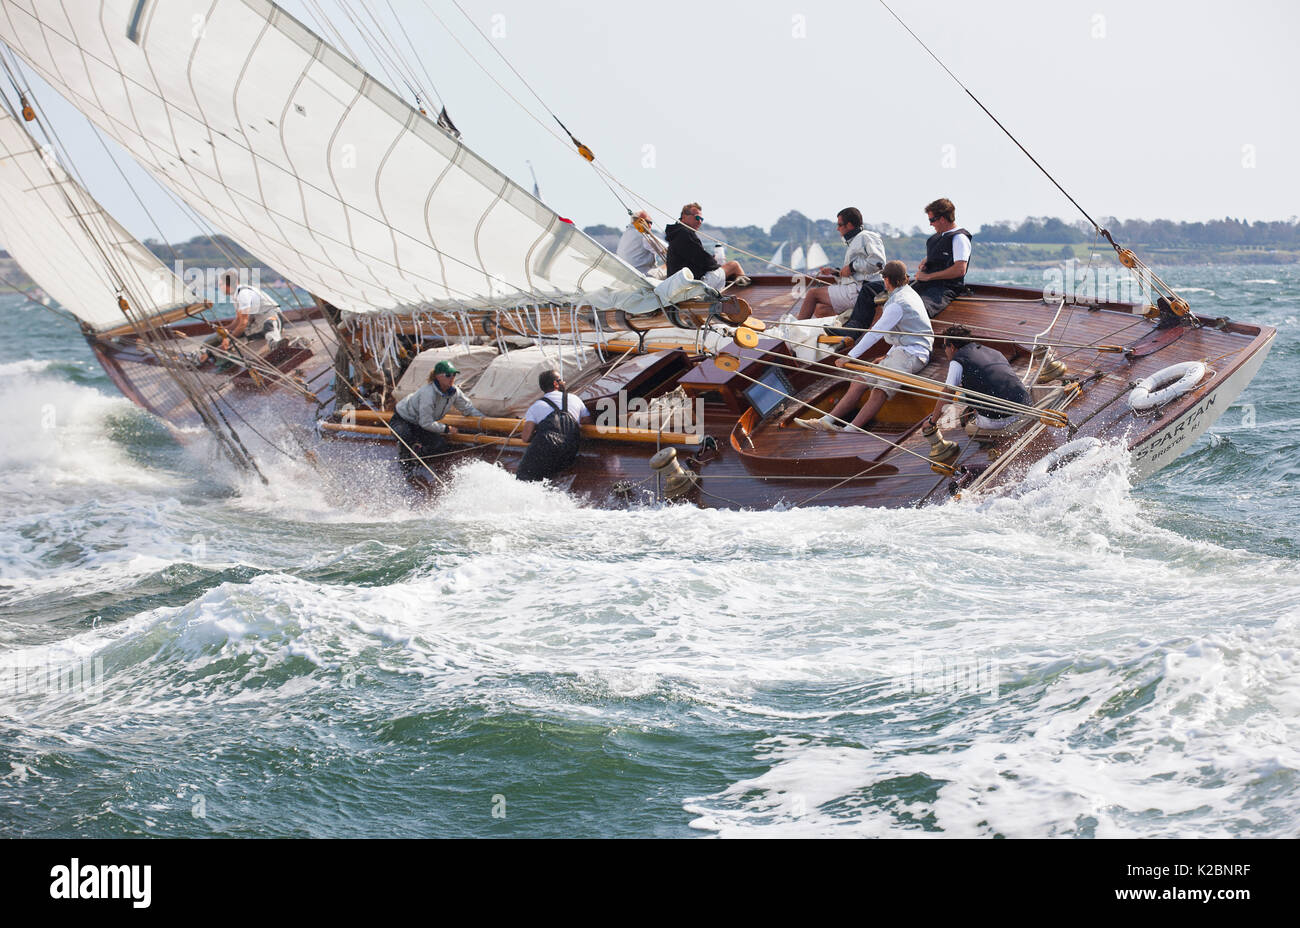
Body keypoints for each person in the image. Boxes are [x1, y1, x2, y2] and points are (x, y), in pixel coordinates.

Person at [797, 260, 933, 432]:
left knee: (879, 390)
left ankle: (849, 430)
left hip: (913, 354)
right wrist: (889, 353)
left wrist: (849, 356)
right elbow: (904, 332)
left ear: (887, 280)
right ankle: (827, 420)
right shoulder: (908, 292)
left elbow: (875, 333)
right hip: (903, 350)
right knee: (859, 381)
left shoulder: (898, 303)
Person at [927, 324, 1030, 433]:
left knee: (969, 425)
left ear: (952, 347)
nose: (944, 351)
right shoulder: (991, 351)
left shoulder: (957, 361)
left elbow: (948, 393)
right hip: (1023, 406)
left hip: (1000, 419)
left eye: (944, 347)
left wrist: (932, 422)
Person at [795, 207, 886, 322]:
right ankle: (850, 324)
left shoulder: (866, 236)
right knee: (820, 309)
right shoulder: (856, 240)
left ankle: (797, 329)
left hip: (862, 291)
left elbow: (878, 263)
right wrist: (836, 272)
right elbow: (859, 272)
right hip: (856, 289)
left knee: (813, 294)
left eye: (840, 224)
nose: (837, 229)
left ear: (849, 225)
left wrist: (852, 267)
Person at [390, 359, 483, 471]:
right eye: (448, 375)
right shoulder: (428, 394)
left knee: (440, 445)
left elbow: (468, 409)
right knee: (405, 436)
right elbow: (426, 422)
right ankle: (406, 465)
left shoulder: (454, 392)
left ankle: (419, 459)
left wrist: (485, 421)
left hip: (421, 424)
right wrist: (446, 429)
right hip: (403, 419)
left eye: (454, 375)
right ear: (438, 376)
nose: (452, 378)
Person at [517, 369, 591, 482]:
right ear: (555, 384)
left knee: (524, 478)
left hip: (545, 449)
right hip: (569, 449)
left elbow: (525, 438)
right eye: (562, 380)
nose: (564, 382)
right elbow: (587, 420)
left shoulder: (536, 406)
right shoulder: (575, 399)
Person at [200, 271, 285, 365]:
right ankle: (205, 354)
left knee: (268, 325)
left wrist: (228, 339)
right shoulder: (235, 296)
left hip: (271, 317)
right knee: (220, 337)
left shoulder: (243, 294)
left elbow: (243, 323)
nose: (220, 287)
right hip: (256, 322)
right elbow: (238, 320)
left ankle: (275, 344)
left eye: (221, 285)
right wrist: (226, 330)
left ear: (229, 285)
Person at [664, 203, 750, 290]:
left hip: (678, 285)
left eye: (702, 219)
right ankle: (747, 297)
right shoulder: (685, 233)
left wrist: (712, 262)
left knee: (723, 270)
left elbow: (694, 257)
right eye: (697, 217)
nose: (700, 221)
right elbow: (701, 259)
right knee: (734, 265)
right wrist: (715, 263)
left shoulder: (675, 234)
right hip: (694, 285)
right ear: (684, 216)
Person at [913, 197, 972, 317]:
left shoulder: (959, 238)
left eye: (932, 220)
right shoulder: (936, 237)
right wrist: (927, 260)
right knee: (894, 300)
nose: (930, 224)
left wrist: (928, 277)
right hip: (926, 285)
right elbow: (941, 255)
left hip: (944, 289)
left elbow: (960, 270)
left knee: (918, 311)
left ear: (943, 219)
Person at [616, 210, 667, 278]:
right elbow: (669, 249)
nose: (650, 226)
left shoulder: (626, 234)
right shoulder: (643, 236)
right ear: (641, 221)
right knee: (672, 266)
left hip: (627, 276)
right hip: (644, 276)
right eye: (649, 222)